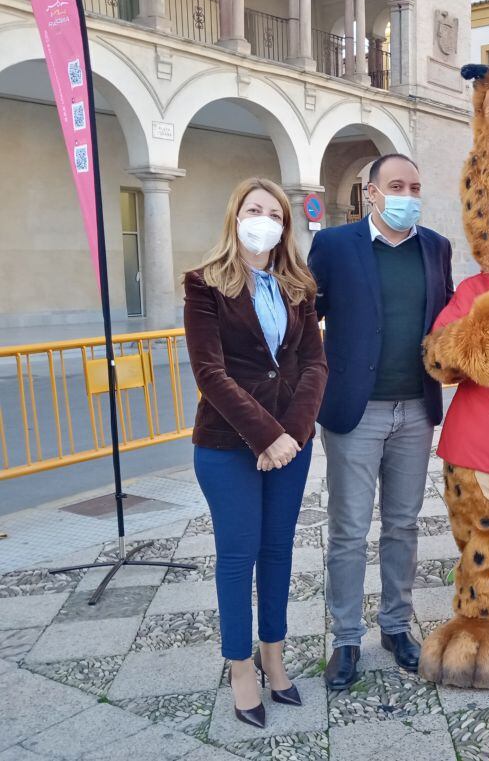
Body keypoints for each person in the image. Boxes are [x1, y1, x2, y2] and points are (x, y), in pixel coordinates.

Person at [184, 177, 328, 728]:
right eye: (253, 208)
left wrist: (291, 433)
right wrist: (265, 436)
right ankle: (240, 667)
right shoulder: (205, 284)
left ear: (284, 225)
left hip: (290, 444)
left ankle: (274, 652)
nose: (263, 218)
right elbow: (210, 373)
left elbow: (314, 365)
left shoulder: (298, 286)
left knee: (278, 553)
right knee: (238, 556)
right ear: (235, 216)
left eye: (273, 211)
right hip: (227, 445)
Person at [308, 153, 454, 688]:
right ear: (371, 192)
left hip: (416, 409)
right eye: (396, 185)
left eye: (414, 185)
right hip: (356, 412)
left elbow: (449, 319)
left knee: (404, 524)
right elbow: (306, 319)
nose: (407, 195)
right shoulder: (334, 247)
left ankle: (395, 626)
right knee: (348, 530)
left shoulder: (436, 248)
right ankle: (346, 638)